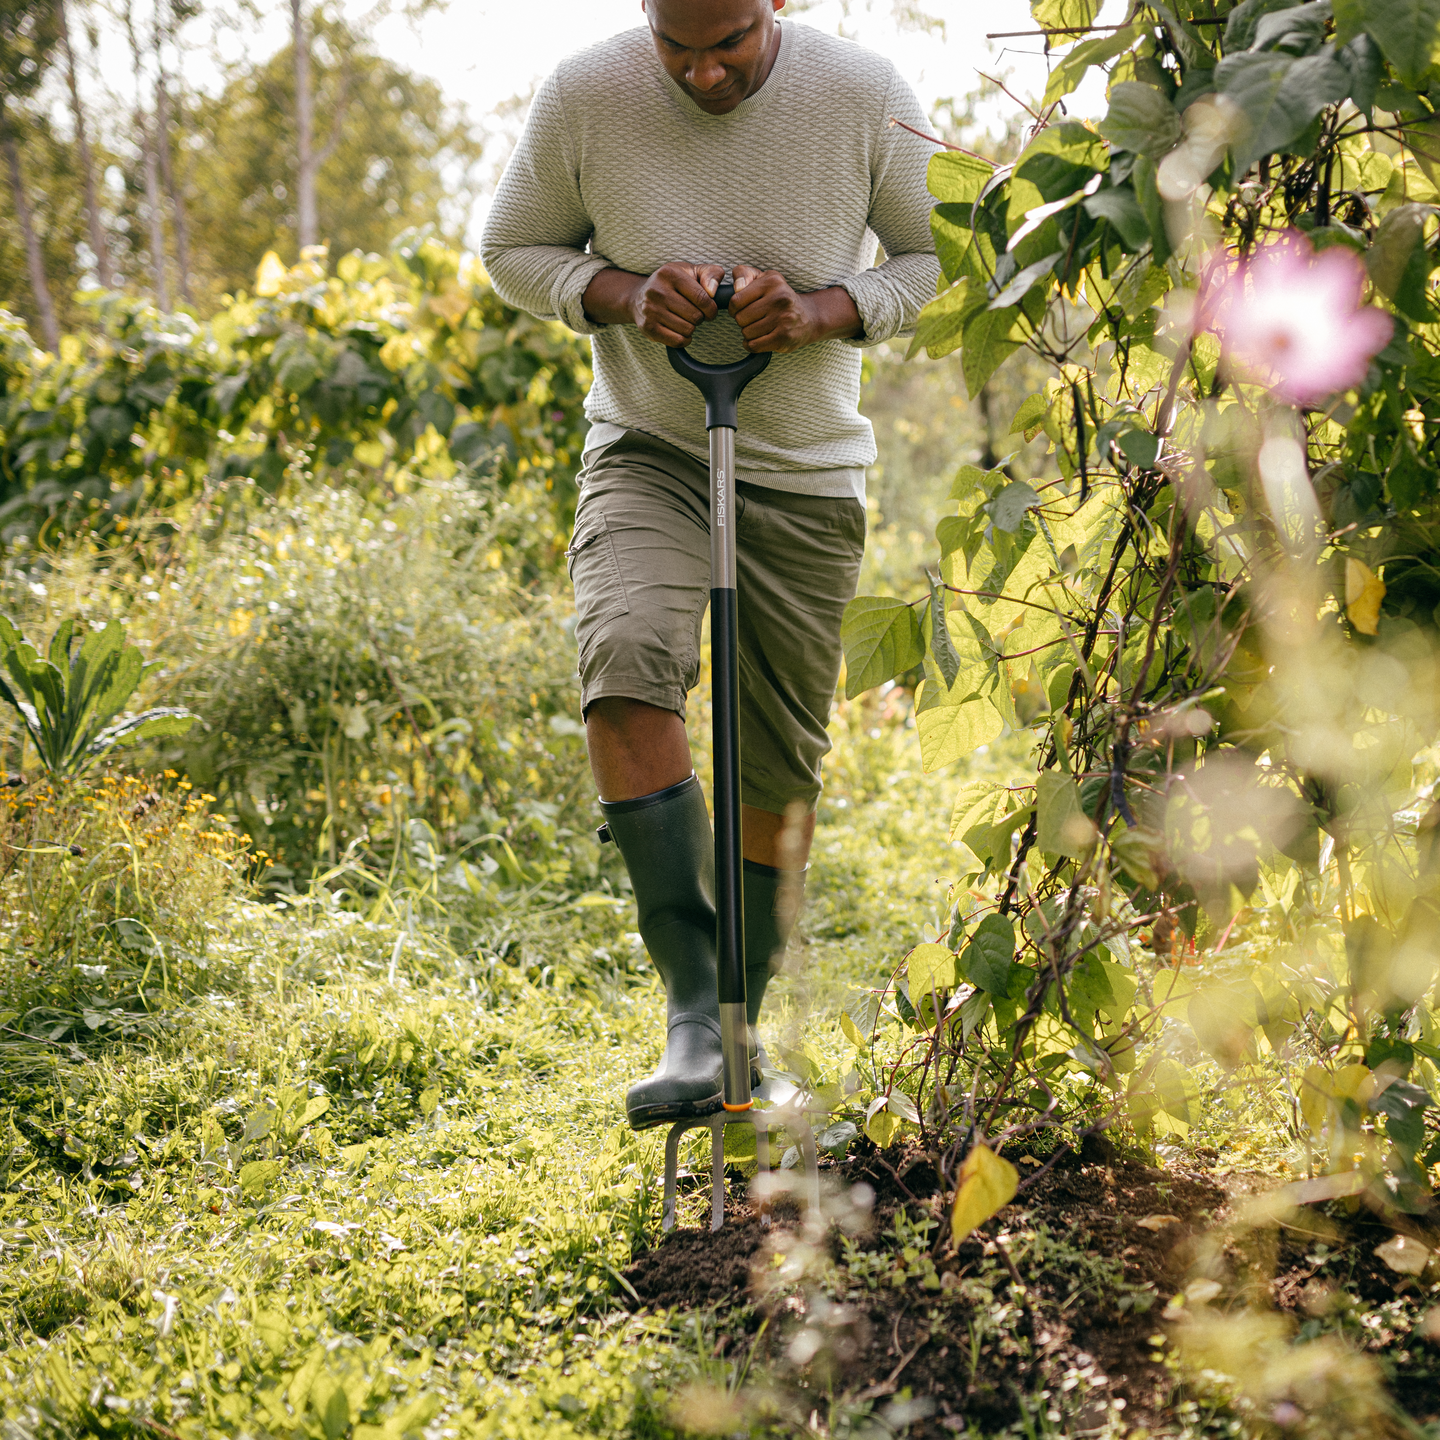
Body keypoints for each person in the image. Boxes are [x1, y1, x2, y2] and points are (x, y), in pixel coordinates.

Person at [481, 0, 940, 1129]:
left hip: (807, 469)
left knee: (775, 768)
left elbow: (946, 260)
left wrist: (832, 309)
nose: (700, 73)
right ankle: (694, 1011)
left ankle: (744, 1020)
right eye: (674, 47)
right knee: (628, 655)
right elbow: (510, 249)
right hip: (649, 446)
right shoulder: (587, 90)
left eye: (727, 43)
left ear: (772, 7)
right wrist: (627, 296)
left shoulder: (865, 90)